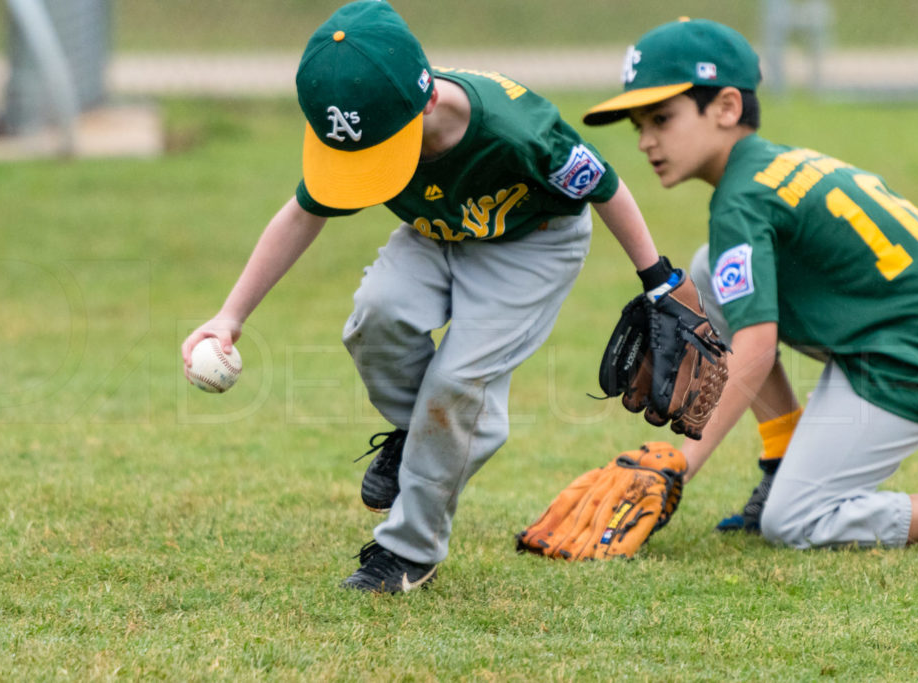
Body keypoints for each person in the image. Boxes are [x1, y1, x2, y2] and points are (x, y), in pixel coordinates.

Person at [182, 1, 689, 592]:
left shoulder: (516, 129)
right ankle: (419, 434)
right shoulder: (375, 114)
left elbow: (606, 187)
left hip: (533, 245)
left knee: (458, 385)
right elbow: (302, 213)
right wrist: (231, 314)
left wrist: (657, 280)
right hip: (435, 234)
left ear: (426, 102)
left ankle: (408, 552)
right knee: (375, 316)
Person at [583, 18, 918, 549]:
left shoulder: (740, 201)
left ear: (726, 108)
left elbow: (757, 347)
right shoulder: (771, 165)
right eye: (638, 125)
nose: (647, 140)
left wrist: (682, 464)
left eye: (662, 118)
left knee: (795, 521)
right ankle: (782, 453)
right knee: (709, 269)